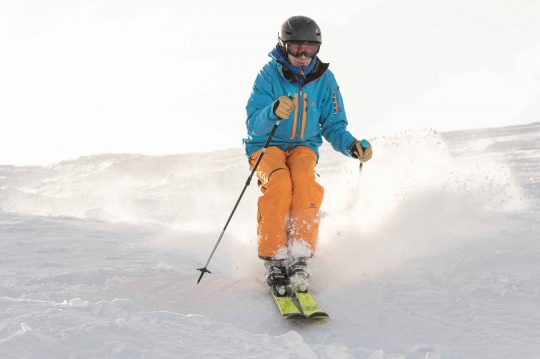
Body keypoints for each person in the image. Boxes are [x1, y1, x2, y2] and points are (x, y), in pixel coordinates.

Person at [243, 15, 373, 296]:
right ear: (283, 46)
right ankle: (275, 258)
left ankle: (300, 254)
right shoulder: (268, 75)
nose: (303, 55)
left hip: (304, 146)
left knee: (304, 184)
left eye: (310, 49)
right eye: (296, 48)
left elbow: (334, 124)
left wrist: (351, 145)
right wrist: (273, 110)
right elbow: (254, 123)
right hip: (266, 145)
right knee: (278, 184)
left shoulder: (325, 80)